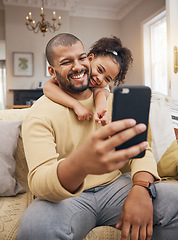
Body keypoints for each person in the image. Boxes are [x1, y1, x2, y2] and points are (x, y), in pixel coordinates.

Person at [16, 33, 178, 240]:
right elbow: (39, 181)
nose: (77, 67)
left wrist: (141, 188)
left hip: (115, 187)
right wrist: (80, 164)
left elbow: (140, 147)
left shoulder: (109, 100)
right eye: (66, 62)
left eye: (81, 58)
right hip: (67, 199)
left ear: (88, 58)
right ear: (52, 71)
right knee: (34, 228)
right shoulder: (39, 114)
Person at [43, 36, 133, 125]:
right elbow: (48, 87)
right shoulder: (69, 77)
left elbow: (100, 95)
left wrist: (101, 111)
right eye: (100, 70)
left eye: (107, 79)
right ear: (90, 59)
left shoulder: (102, 88)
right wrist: (75, 105)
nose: (100, 79)